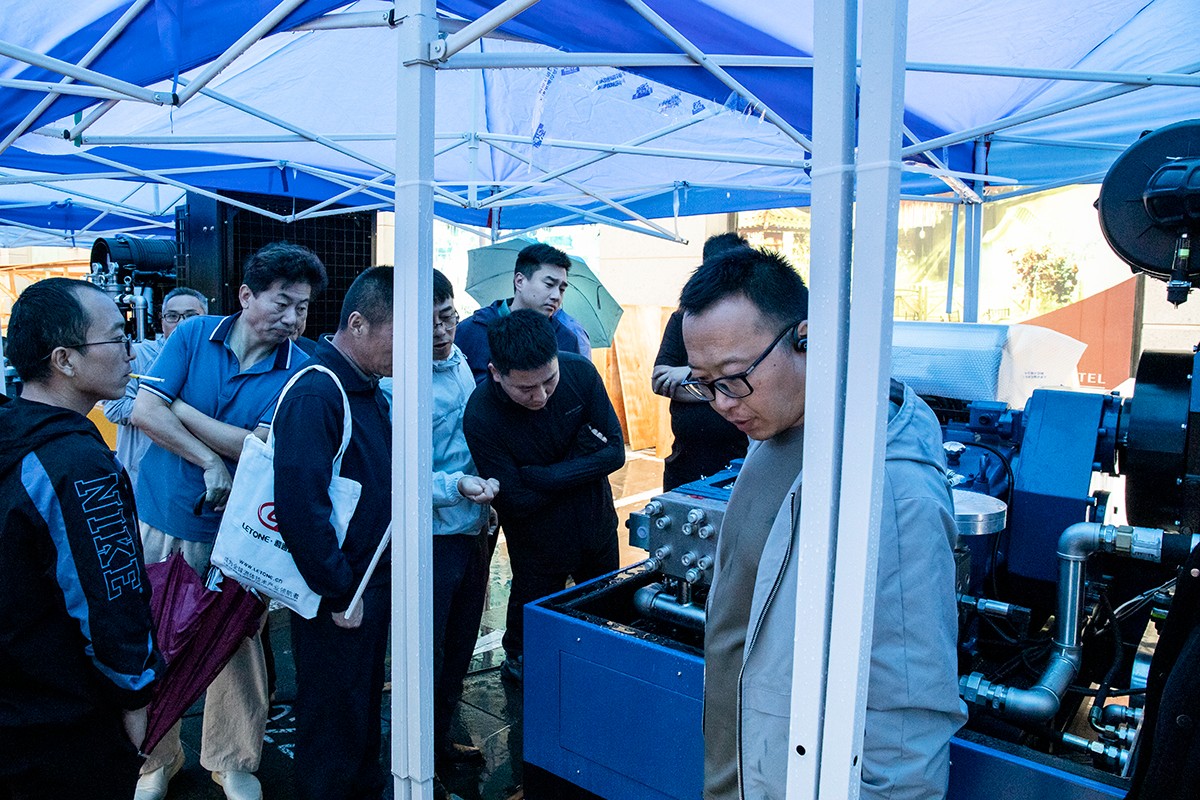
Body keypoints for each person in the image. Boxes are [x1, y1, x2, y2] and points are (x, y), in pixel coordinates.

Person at [678, 247, 966, 800]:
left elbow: (907, 727)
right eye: (704, 383)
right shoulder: (777, 428)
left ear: (807, 339)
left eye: (733, 378)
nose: (721, 403)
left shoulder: (891, 491)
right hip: (747, 772)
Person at [130, 242, 326, 800]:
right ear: (245, 296)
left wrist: (180, 408)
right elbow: (143, 411)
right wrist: (208, 459)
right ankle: (155, 758)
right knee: (152, 637)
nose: (293, 318)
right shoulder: (194, 335)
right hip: (161, 514)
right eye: (282, 303)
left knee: (237, 641)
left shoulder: (300, 369)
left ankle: (232, 758)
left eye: (303, 307)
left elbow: (254, 447)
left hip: (240, 533)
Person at [0, 278, 163, 799]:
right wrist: (135, 697)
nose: (130, 351)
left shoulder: (15, 433)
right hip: (64, 722)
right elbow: (108, 596)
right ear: (65, 360)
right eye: (116, 337)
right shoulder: (76, 465)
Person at [271, 267, 394, 800]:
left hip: (365, 584)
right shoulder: (318, 391)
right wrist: (341, 589)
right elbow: (301, 508)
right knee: (331, 720)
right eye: (399, 334)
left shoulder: (370, 388)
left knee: (359, 710)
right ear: (358, 323)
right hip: (337, 594)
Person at [463, 309, 624, 683]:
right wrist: (582, 456)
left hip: (597, 526)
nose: (541, 396)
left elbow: (615, 453)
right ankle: (518, 662)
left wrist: (542, 475)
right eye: (525, 389)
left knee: (605, 613)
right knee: (530, 632)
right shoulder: (482, 415)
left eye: (549, 381)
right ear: (496, 373)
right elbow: (515, 501)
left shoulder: (580, 373)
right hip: (537, 544)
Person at [430, 269, 499, 782]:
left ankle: (442, 733)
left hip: (474, 526)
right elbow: (398, 472)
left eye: (448, 317)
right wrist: (457, 486)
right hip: (432, 536)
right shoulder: (395, 381)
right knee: (429, 650)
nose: (441, 330)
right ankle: (421, 751)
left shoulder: (459, 362)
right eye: (430, 321)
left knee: (460, 644)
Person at [651, 233, 751, 490]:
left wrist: (689, 377)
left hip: (740, 463)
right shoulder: (683, 318)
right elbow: (660, 381)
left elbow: (751, 384)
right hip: (685, 463)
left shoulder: (752, 323)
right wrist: (723, 383)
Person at [103, 287, 208, 492]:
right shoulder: (138, 356)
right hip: (144, 476)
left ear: (207, 319)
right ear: (162, 321)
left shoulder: (214, 361)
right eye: (172, 316)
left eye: (190, 316)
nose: (181, 323)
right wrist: (158, 405)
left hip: (194, 476)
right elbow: (114, 409)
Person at [455, 242, 592, 384]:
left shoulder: (566, 339)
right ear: (519, 281)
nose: (556, 296)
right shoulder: (472, 331)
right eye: (549, 284)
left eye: (562, 289)